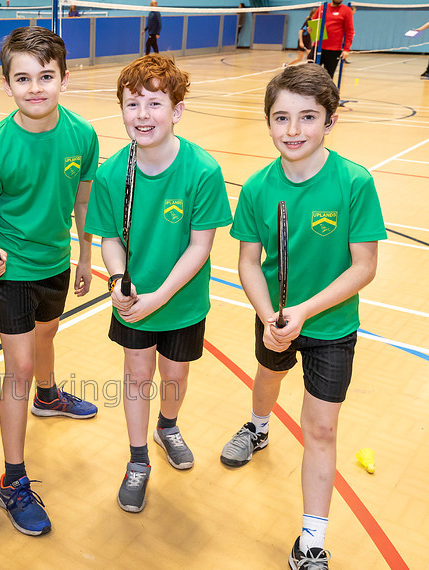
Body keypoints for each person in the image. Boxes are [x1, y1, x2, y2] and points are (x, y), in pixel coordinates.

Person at [219, 64, 386, 569]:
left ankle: (311, 540)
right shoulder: (256, 188)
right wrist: (271, 315)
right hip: (274, 315)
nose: (293, 131)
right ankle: (258, 425)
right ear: (267, 122)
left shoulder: (354, 183)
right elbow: (248, 261)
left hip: (331, 325)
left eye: (308, 117)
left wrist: (306, 310)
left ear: (330, 121)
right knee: (267, 379)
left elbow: (365, 267)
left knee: (321, 429)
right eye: (281, 118)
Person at [0, 26, 99, 536]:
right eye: (23, 79)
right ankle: (12, 481)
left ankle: (49, 397)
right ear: (7, 85)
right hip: (13, 267)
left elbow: (82, 202)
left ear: (64, 78)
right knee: (17, 366)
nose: (36, 88)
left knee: (47, 335)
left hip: (56, 262)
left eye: (46, 76)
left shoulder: (82, 136)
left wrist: (86, 254)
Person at [86, 54, 232, 513]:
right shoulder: (112, 174)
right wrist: (115, 279)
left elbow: (199, 247)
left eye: (154, 103)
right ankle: (137, 461)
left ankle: (167, 426)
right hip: (133, 302)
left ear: (177, 110)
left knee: (174, 374)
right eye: (132, 105)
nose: (142, 115)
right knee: (136, 375)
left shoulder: (202, 171)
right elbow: (110, 238)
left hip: (180, 301)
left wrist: (160, 297)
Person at [313, 0, 354, 78]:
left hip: (334, 50)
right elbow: (314, 23)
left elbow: (350, 30)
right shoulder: (322, 8)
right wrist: (310, 30)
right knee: (311, 75)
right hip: (318, 47)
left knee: (328, 77)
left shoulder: (346, 10)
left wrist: (346, 49)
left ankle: (326, 90)